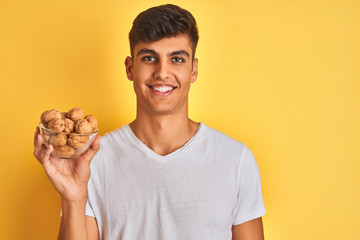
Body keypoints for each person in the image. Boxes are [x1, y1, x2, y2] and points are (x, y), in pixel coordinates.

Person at [34, 4, 266, 240]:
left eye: (177, 59)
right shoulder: (93, 159)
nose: (162, 72)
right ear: (130, 68)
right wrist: (73, 197)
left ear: (193, 70)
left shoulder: (235, 159)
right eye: (149, 58)